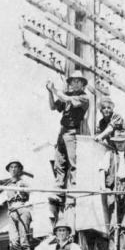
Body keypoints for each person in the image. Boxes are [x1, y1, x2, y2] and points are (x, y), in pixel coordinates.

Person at [46, 71, 90, 225]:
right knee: (59, 163)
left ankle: (74, 191)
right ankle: (58, 192)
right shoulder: (66, 95)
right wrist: (50, 92)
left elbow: (68, 99)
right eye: (73, 81)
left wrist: (54, 90)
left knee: (73, 164)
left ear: (83, 84)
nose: (75, 84)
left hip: (73, 132)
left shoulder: (84, 98)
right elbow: (53, 107)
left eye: (78, 81)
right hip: (62, 131)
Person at [3, 160, 32, 250]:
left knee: (24, 239)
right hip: (12, 212)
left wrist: (21, 187)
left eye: (16, 167)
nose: (14, 169)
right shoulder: (8, 185)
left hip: (22, 208)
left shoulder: (24, 183)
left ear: (20, 169)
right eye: (11, 167)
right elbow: (7, 201)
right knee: (13, 240)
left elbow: (29, 197)